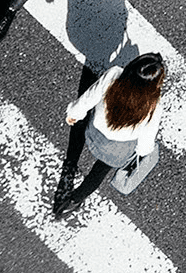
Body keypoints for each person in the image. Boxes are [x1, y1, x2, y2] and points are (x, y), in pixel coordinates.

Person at [60, 52, 166, 207]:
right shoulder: (153, 107)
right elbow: (145, 145)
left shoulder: (113, 75)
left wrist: (73, 114)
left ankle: (70, 166)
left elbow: (88, 98)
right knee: (98, 173)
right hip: (117, 150)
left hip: (94, 135)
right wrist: (142, 152)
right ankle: (73, 201)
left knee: (82, 128)